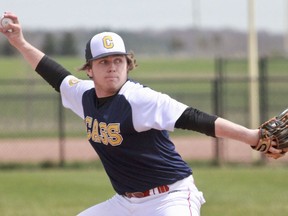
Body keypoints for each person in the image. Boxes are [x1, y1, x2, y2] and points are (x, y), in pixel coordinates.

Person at [0, 12, 284, 216]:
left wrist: (251, 136)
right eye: (104, 61)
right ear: (89, 69)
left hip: (169, 198)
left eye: (118, 60)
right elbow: (55, 74)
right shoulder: (83, 95)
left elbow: (196, 118)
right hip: (125, 203)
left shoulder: (139, 99)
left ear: (128, 63)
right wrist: (20, 43)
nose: (112, 66)